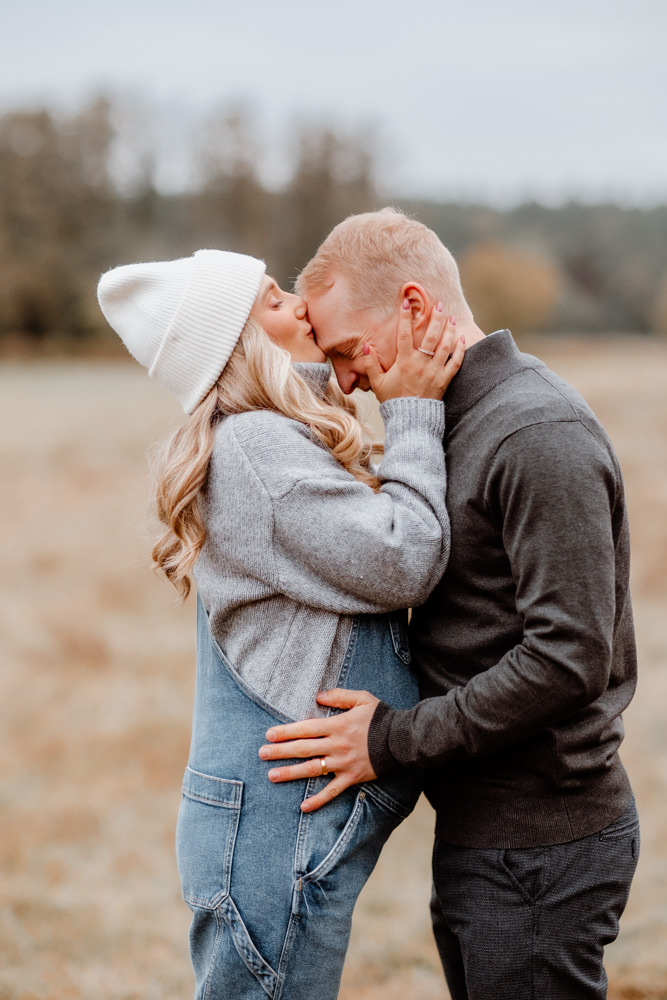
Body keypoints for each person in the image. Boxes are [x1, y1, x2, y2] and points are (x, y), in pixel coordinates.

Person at [259, 208, 640, 1000]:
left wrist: (392, 740)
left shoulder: (536, 431)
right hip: (484, 836)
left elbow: (568, 658)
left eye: (345, 353)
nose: (346, 380)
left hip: (542, 847)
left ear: (413, 308)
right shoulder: (436, 431)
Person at [96, 247, 465, 1000]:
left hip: (270, 833)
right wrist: (413, 412)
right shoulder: (257, 448)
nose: (299, 305)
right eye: (272, 300)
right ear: (242, 343)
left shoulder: (270, 436)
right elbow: (402, 560)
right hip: (272, 838)